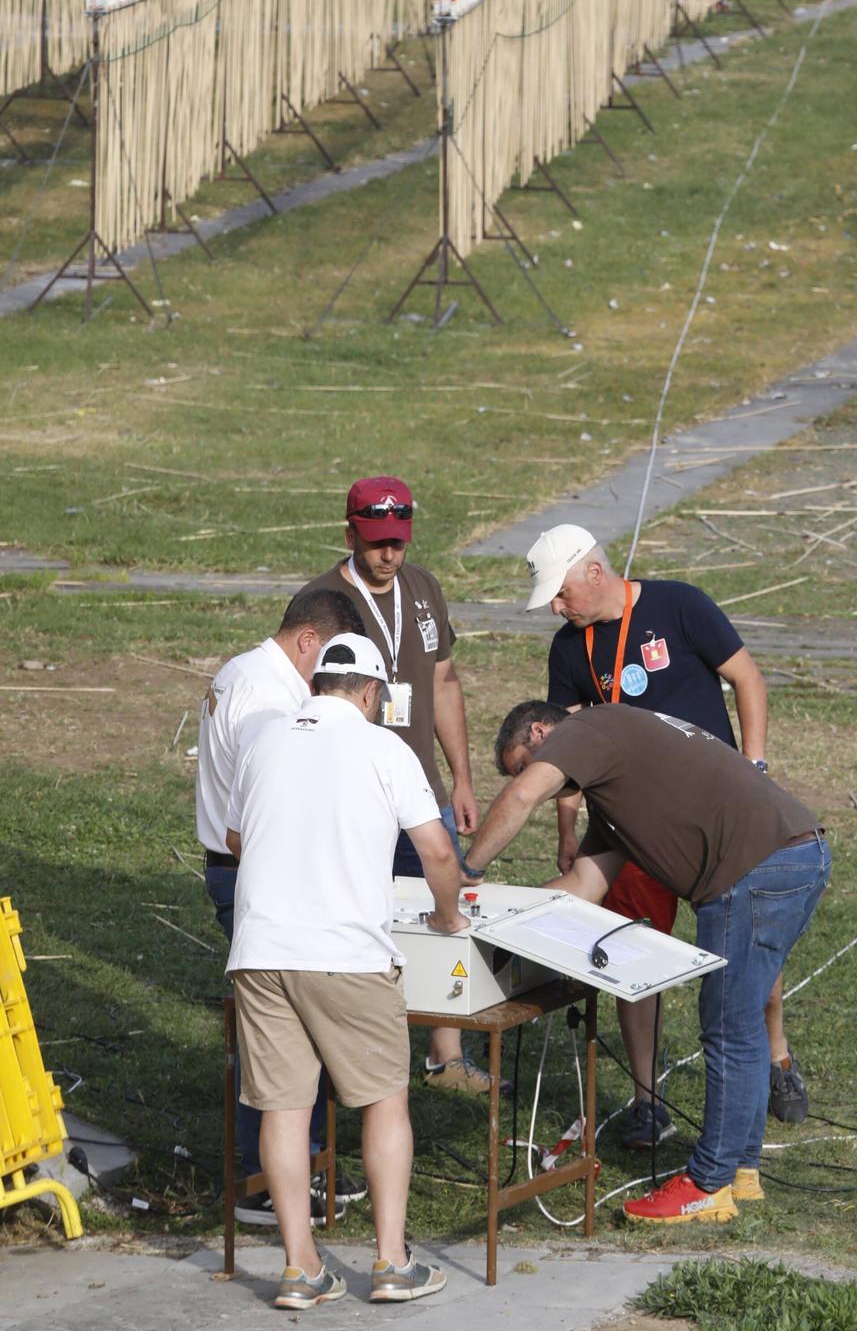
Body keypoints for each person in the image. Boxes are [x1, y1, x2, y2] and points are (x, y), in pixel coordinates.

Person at [462, 700, 830, 1226]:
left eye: (524, 761)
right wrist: (493, 914)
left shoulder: (585, 729)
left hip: (756, 866)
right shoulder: (614, 792)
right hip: (791, 853)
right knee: (742, 1022)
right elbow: (582, 886)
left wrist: (467, 873)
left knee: (728, 1028)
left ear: (542, 733)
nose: (531, 783)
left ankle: (707, 1183)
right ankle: (741, 1172)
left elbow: (521, 796)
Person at [524, 523, 808, 1146]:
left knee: (746, 954)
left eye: (561, 592)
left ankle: (778, 1054)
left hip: (715, 821)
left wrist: (753, 767)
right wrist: (568, 831)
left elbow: (748, 680)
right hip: (632, 828)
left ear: (594, 572)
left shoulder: (679, 605)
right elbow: (566, 752)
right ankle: (647, 1099)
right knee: (632, 953)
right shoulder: (568, 650)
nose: (556, 606)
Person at [225, 632, 468, 1307]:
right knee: (384, 1099)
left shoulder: (262, 739)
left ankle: (301, 1268)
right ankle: (390, 1262)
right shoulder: (383, 746)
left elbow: (237, 836)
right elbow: (437, 852)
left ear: (315, 684)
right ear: (372, 692)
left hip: (262, 951)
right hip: (347, 954)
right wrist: (448, 917)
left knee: (282, 1107)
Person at [307, 475, 490, 1095]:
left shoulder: (424, 589)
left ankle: (445, 1053)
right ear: (350, 531)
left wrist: (461, 778)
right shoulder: (322, 602)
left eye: (400, 542)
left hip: (419, 787)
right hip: (353, 791)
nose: (390, 555)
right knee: (357, 912)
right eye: (378, 541)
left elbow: (443, 682)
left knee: (444, 905)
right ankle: (348, 1040)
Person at [197, 584, 368, 1224]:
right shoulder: (270, 700)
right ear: (307, 641)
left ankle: (303, 1160)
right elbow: (260, 812)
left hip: (245, 870)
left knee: (289, 1026)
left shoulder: (245, 674)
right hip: (254, 874)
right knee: (278, 1033)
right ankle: (265, 1176)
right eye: (328, 665)